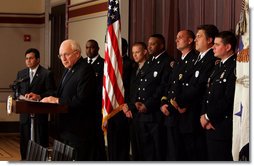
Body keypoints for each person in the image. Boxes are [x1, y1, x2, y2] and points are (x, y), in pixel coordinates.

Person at [162, 24, 219, 160]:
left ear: (210, 40)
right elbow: (180, 84)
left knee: (195, 155)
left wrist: (179, 102)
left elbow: (200, 87)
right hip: (184, 113)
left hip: (196, 113)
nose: (195, 40)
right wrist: (168, 102)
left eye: (199, 36)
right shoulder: (199, 58)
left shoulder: (211, 59)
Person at [41, 39, 99, 161]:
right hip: (66, 128)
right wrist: (40, 96)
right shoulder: (68, 69)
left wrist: (57, 101)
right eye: (60, 55)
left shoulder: (85, 70)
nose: (63, 58)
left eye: (66, 54)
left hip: (79, 130)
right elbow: (60, 93)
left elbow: (81, 99)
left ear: (77, 54)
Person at [124, 34, 174, 160]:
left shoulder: (167, 61)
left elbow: (162, 87)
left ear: (161, 45)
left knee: (155, 151)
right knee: (142, 150)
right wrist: (134, 104)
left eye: (153, 44)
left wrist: (148, 104)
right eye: (149, 44)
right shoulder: (150, 61)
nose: (150, 46)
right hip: (140, 113)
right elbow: (139, 85)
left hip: (154, 113)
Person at [160, 29, 198, 160]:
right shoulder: (177, 62)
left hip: (184, 114)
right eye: (176, 37)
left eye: (180, 37)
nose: (176, 40)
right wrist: (164, 103)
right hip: (171, 114)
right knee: (173, 153)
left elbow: (194, 88)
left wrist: (180, 103)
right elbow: (169, 86)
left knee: (185, 155)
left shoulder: (195, 60)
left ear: (190, 40)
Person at [200, 31, 237, 161]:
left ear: (227, 47)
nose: (213, 47)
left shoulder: (235, 67)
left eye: (217, 44)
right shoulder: (218, 66)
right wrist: (204, 115)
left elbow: (229, 99)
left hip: (222, 125)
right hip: (210, 124)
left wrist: (209, 116)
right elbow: (207, 94)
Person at [15, 48, 55, 160]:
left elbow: (52, 92)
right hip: (25, 116)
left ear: (38, 59)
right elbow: (17, 91)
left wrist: (39, 96)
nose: (28, 61)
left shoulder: (46, 74)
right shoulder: (21, 73)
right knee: (24, 143)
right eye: (26, 59)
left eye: (31, 58)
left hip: (39, 116)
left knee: (40, 142)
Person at [106, 38, 132, 160]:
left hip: (123, 108)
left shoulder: (129, 64)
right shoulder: (110, 63)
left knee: (121, 144)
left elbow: (130, 87)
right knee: (111, 144)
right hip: (111, 108)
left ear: (125, 48)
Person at [122, 42, 148, 160]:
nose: (135, 55)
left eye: (137, 52)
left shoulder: (149, 67)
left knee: (145, 149)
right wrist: (128, 106)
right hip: (132, 113)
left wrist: (133, 106)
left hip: (143, 112)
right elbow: (130, 90)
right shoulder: (134, 69)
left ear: (145, 52)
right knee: (135, 148)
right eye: (133, 53)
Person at [84, 39, 107, 160]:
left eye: (92, 47)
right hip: (83, 107)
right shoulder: (81, 63)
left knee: (97, 137)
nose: (89, 50)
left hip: (97, 107)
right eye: (87, 48)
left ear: (98, 49)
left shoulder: (104, 63)